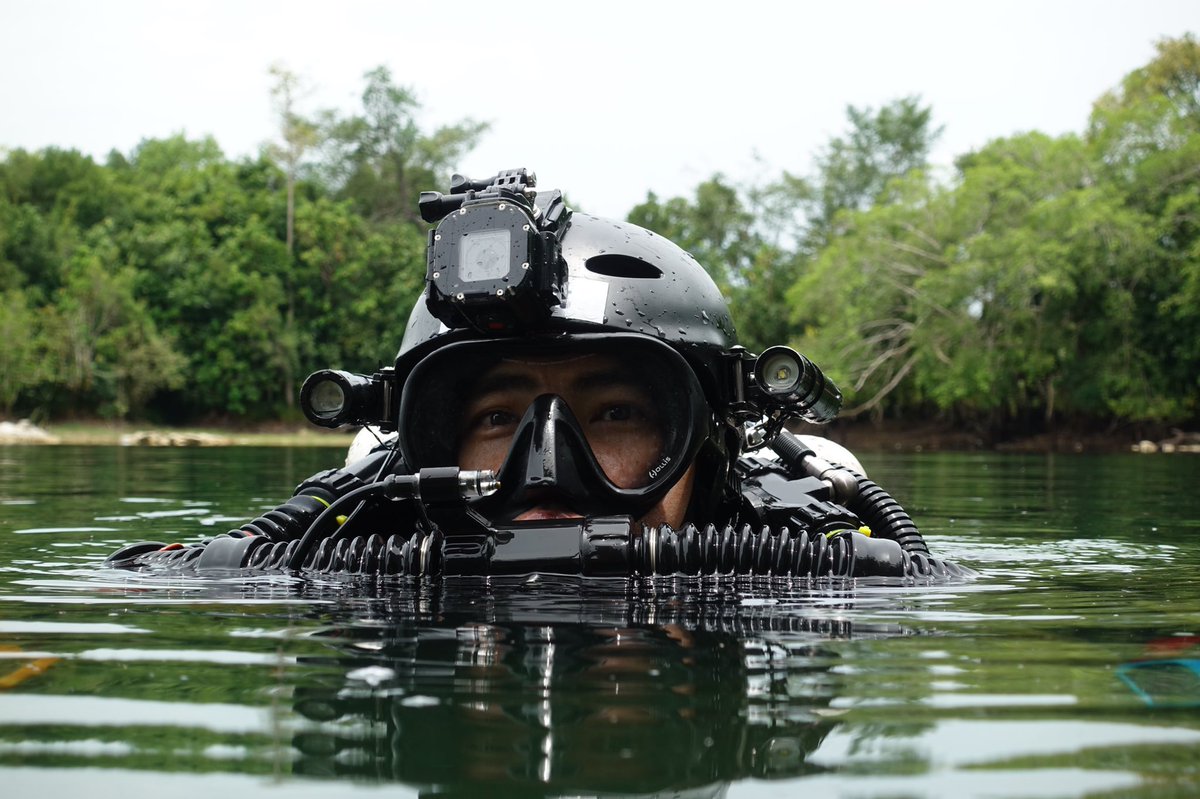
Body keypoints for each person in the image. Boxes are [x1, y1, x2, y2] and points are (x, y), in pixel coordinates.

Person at [109, 168, 967, 579]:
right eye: (494, 418)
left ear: (706, 445)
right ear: (423, 446)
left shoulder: (809, 561)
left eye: (619, 412)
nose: (546, 468)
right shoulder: (355, 551)